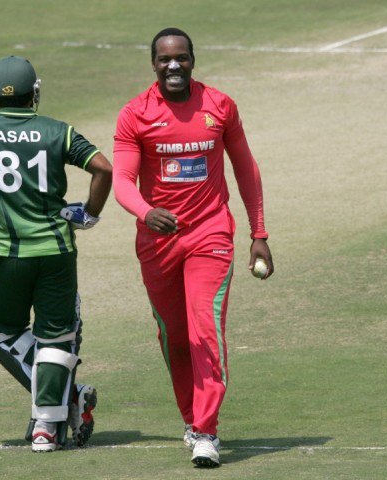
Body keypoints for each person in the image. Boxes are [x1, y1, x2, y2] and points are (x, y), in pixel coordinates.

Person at [113, 28, 274, 467]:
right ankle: (190, 419)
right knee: (175, 337)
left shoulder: (219, 106)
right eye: (164, 59)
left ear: (192, 61)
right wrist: (147, 213)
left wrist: (258, 234)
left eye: (181, 58)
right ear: (153, 64)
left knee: (205, 328)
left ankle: (207, 431)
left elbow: (246, 169)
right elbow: (123, 181)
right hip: (158, 242)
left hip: (211, 234)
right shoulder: (135, 114)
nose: (173, 66)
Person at [0, 55, 112, 452]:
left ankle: (59, 407)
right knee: (57, 335)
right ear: (34, 93)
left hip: (6, 255)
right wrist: (88, 215)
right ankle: (50, 423)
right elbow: (104, 169)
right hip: (57, 250)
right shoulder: (58, 131)